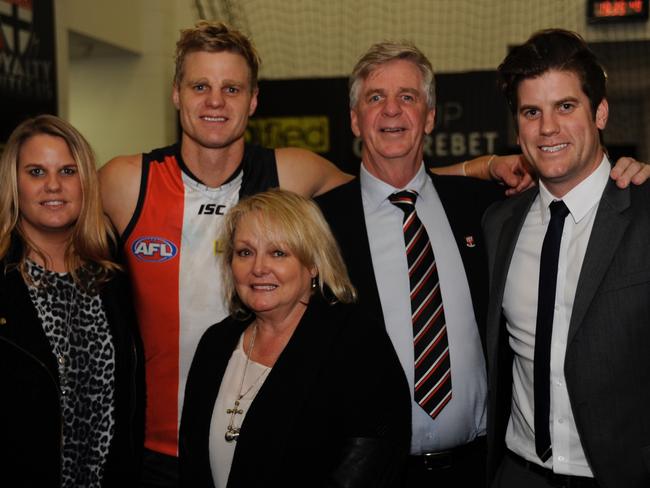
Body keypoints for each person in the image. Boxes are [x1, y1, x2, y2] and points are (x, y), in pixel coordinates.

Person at [97, 20, 537, 486]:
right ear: (176, 93)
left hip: (441, 463)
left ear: (253, 100)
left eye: (231, 87)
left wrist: (482, 168)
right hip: (163, 452)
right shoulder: (127, 182)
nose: (214, 101)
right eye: (200, 85)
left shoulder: (295, 176)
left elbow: (393, 178)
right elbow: (52, 213)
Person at [316, 40, 650, 488]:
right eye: (375, 98)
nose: (392, 111)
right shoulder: (318, 225)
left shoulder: (482, 209)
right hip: (375, 474)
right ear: (355, 119)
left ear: (430, 117)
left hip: (484, 469)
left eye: (408, 97)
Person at [483, 29, 650, 488]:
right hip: (518, 473)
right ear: (517, 127)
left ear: (600, 112)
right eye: (531, 112)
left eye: (566, 107)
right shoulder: (498, 224)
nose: (548, 128)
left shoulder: (643, 211)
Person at [179, 188, 411, 488]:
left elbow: (370, 466)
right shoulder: (216, 343)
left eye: (278, 253)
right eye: (245, 252)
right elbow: (191, 465)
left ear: (313, 263)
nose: (258, 268)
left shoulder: (356, 342)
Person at [0, 115, 144, 487]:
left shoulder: (114, 278)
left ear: (86, 182)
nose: (53, 185)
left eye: (67, 170)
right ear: (13, 183)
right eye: (35, 171)